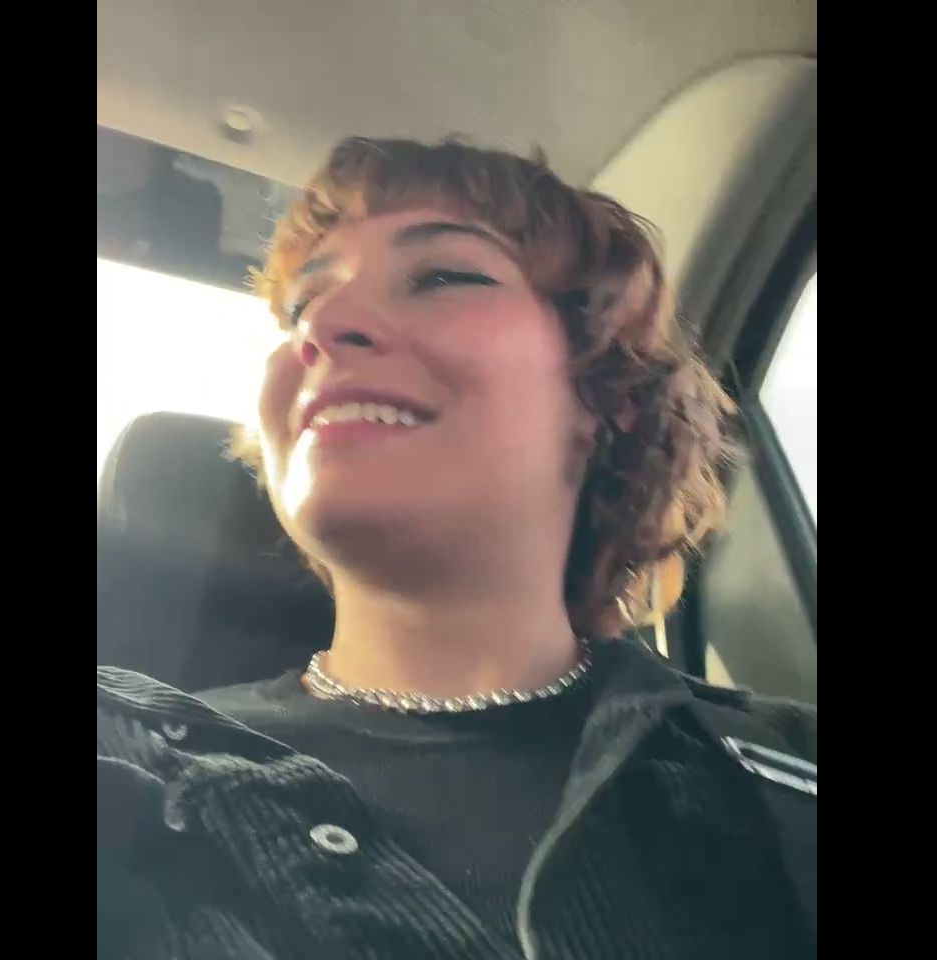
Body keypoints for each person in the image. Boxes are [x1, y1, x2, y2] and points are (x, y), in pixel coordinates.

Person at [97, 137, 816, 960]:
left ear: (606, 395)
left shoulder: (787, 765)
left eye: (441, 277)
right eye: (300, 307)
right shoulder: (123, 757)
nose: (321, 327)